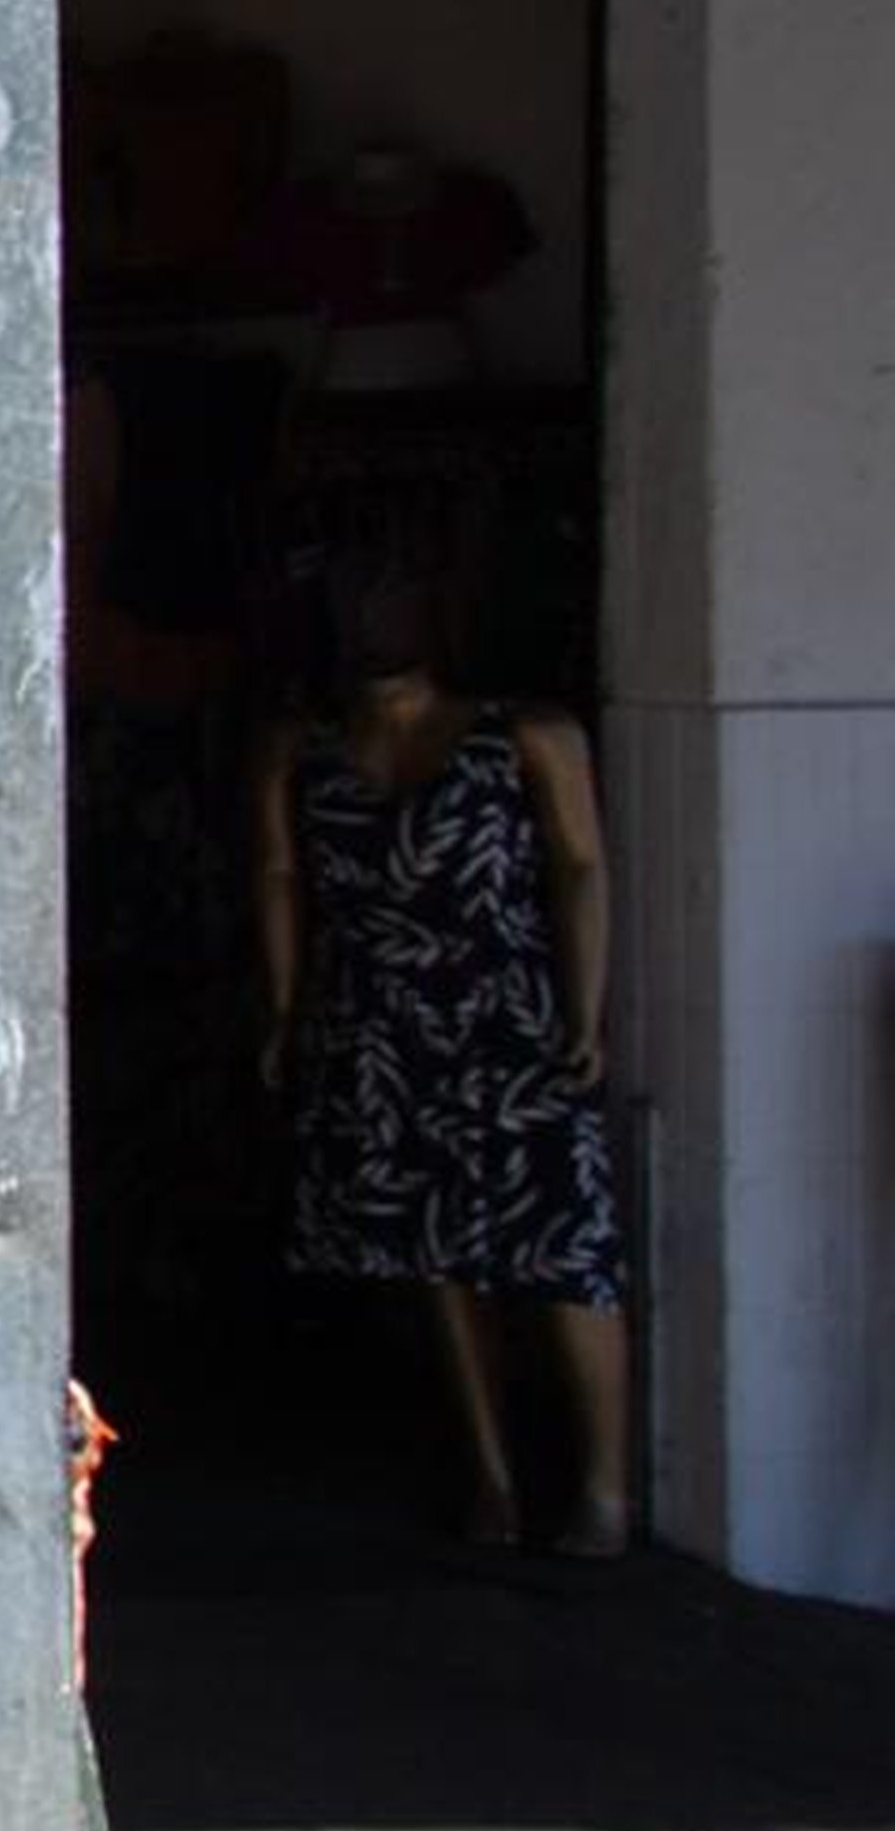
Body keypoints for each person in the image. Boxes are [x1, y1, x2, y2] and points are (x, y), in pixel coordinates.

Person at [251, 566, 630, 1555]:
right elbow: (280, 875)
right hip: (379, 1023)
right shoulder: (305, 750)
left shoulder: (525, 736)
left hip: (507, 1014)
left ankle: (604, 1484)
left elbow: (580, 867)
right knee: (433, 1254)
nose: (369, 620)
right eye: (354, 605)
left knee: (562, 1244)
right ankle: (491, 1474)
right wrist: (288, 1013)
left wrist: (583, 1011)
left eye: (388, 602)